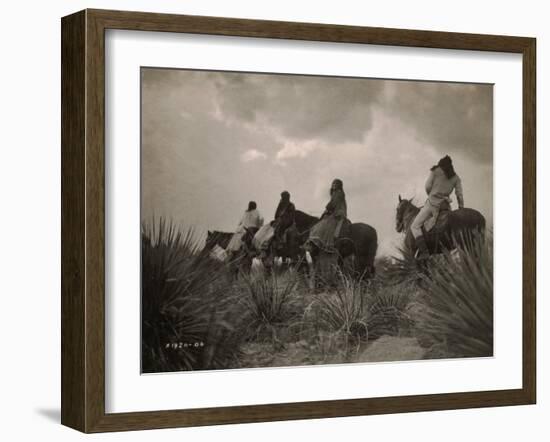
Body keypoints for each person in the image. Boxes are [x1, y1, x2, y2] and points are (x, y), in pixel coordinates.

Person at [411, 155, 464, 259]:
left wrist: (432, 194)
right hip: (445, 205)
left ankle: (424, 252)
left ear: (441, 163)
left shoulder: (435, 171)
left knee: (415, 226)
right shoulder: (456, 177)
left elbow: (427, 186)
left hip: (432, 204)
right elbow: (459, 195)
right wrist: (461, 208)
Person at [307, 179, 348, 251]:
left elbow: (333, 203)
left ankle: (327, 244)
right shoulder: (335, 193)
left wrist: (327, 209)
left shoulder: (338, 193)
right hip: (335, 212)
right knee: (325, 220)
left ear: (339, 186)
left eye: (335, 184)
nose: (334, 185)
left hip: (339, 212)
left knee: (327, 223)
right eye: (333, 184)